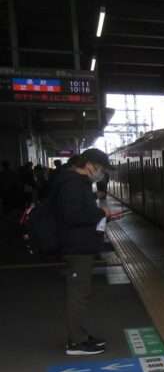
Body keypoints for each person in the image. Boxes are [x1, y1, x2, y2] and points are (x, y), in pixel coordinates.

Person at [52, 148, 112, 356]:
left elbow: (76, 210)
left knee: (81, 291)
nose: (102, 173)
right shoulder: (73, 184)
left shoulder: (75, 182)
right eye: (101, 168)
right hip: (76, 247)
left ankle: (79, 336)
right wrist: (99, 213)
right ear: (89, 165)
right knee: (78, 293)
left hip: (79, 244)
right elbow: (72, 215)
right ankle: (76, 342)